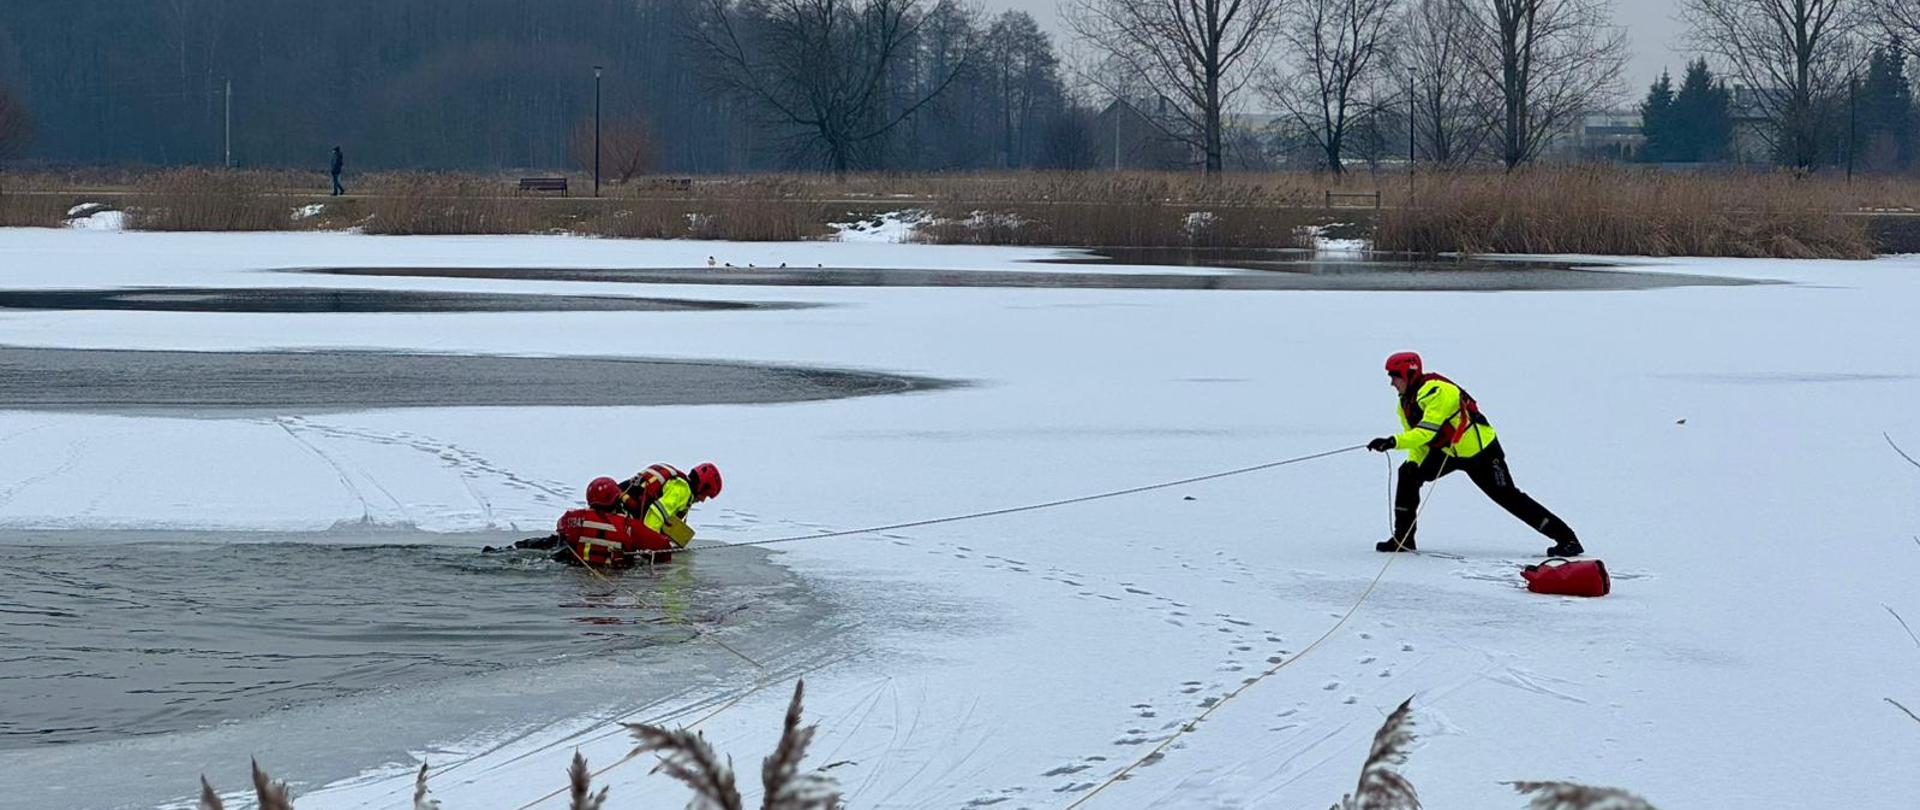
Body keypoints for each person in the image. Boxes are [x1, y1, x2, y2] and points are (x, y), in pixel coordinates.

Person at [1366, 352, 1583, 557]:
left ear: (1410, 374)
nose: (1392, 383)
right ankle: (1403, 540)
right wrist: (1414, 461)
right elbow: (1417, 439)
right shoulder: (1405, 403)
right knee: (1408, 473)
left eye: (1395, 376)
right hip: (1448, 453)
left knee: (1508, 497)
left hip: (1482, 453)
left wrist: (1393, 442)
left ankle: (1567, 540)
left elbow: (1427, 431)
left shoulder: (1437, 391)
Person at [492, 476, 674, 566]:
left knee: (551, 543)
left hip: (573, 567)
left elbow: (561, 527)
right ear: (616, 499)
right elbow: (663, 549)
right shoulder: (629, 526)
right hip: (613, 573)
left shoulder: (574, 518)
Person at [614, 462, 722, 550]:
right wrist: (651, 547)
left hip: (617, 503)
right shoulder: (682, 490)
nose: (703, 500)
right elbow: (655, 515)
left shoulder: (676, 480)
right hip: (622, 514)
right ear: (702, 487)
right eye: (705, 496)